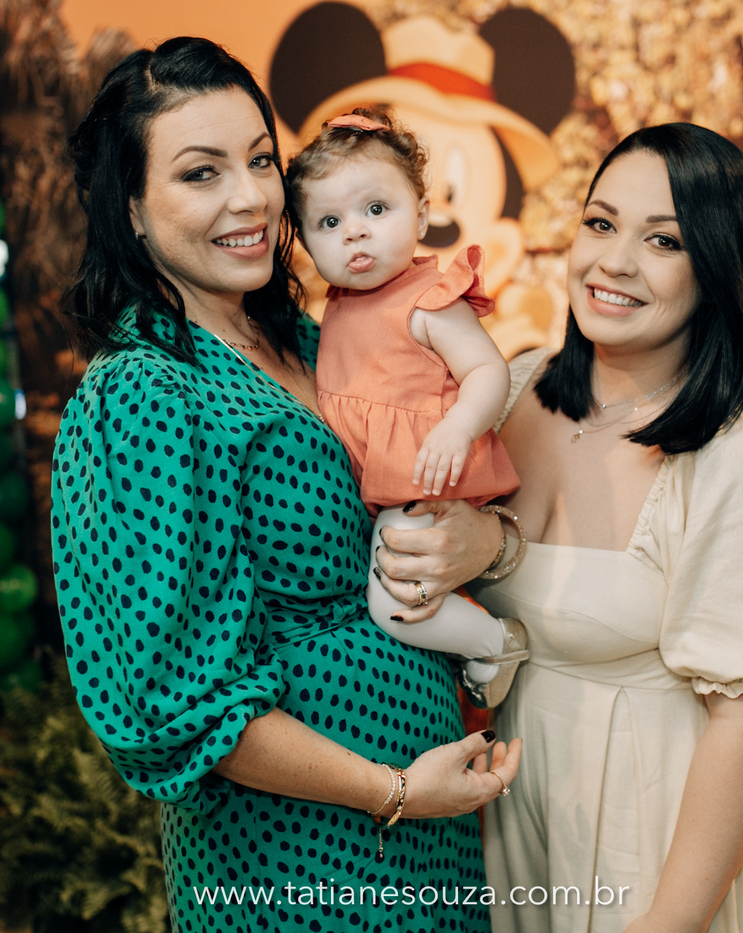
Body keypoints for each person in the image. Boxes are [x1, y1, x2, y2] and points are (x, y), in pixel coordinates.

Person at [50, 37, 521, 932]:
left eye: (261, 160)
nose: (252, 197)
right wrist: (390, 789)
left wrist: (482, 542)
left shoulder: (310, 339)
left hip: (428, 822)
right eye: (201, 172)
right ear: (131, 208)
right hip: (297, 852)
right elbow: (179, 700)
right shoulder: (145, 392)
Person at [381, 124, 743, 932]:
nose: (614, 261)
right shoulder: (511, 391)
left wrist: (668, 922)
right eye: (601, 222)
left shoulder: (738, 456)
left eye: (663, 240)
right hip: (515, 809)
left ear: (718, 268)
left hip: (654, 827)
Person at [285, 106, 528, 708]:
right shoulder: (338, 305)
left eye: (376, 209)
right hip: (385, 482)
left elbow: (487, 370)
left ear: (421, 214)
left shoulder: (429, 300)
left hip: (422, 475)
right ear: (304, 241)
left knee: (393, 606)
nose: (355, 232)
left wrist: (458, 428)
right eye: (329, 222)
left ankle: (496, 642)